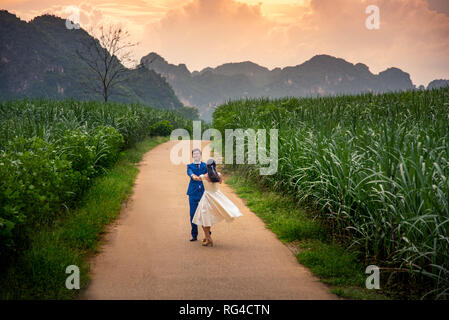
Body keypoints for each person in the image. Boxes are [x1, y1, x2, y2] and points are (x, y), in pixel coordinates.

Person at [192, 158, 243, 247]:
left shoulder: (203, 176)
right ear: (214, 166)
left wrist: (192, 175)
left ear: (207, 167)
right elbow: (220, 182)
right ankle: (207, 238)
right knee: (207, 219)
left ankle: (208, 238)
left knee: (203, 218)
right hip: (216, 197)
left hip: (207, 198)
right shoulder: (218, 175)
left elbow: (196, 178)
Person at [186, 148, 208, 241]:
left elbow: (208, 174)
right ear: (192, 156)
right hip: (193, 192)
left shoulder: (205, 165)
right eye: (194, 154)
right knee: (192, 213)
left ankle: (208, 234)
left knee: (205, 213)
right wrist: (193, 176)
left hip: (204, 192)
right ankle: (194, 234)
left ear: (200, 155)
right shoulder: (189, 166)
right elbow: (190, 173)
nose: (196, 155)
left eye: (197, 154)